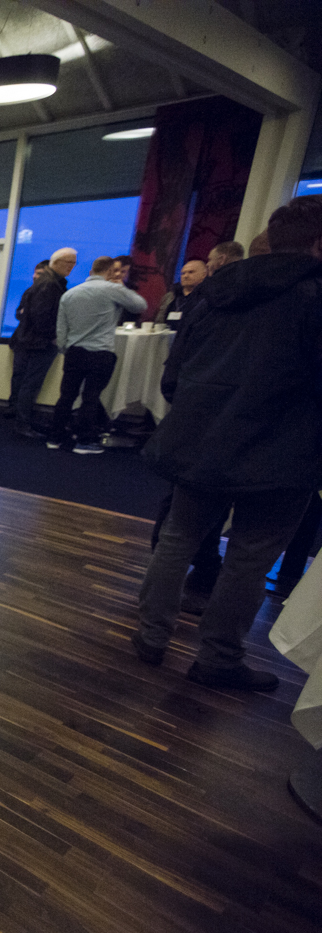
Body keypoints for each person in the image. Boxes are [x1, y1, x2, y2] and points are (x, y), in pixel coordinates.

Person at [132, 195, 322, 691]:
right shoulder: (314, 296)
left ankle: (151, 635)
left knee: (178, 539)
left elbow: (173, 376)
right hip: (281, 451)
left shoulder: (213, 293)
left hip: (201, 440)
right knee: (250, 558)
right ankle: (219, 657)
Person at [47, 257, 147, 454]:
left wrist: (65, 349)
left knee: (66, 396)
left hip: (74, 352)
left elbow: (61, 328)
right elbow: (140, 305)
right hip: (100, 352)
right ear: (109, 271)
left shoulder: (70, 294)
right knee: (90, 398)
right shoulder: (112, 290)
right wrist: (121, 287)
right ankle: (84, 441)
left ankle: (55, 438)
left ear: (91, 270)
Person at [8, 248, 77, 438]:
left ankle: (23, 418)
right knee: (31, 383)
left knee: (26, 382)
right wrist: (53, 336)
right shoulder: (49, 285)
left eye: (74, 263)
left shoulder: (47, 283)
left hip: (33, 340)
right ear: (56, 262)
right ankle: (23, 423)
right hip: (40, 342)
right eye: (68, 262)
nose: (72, 267)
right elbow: (41, 316)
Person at [150, 259, 208, 332]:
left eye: (191, 272)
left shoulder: (207, 298)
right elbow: (159, 322)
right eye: (183, 273)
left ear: (203, 275)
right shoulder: (171, 297)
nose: (185, 276)